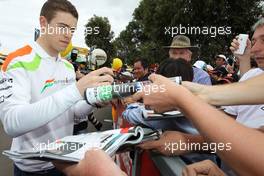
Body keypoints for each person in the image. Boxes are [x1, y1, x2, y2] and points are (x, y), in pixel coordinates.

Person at [0, 0, 113, 175]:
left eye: (72, 30)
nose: (68, 35)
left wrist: (94, 100)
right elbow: (12, 123)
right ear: (43, 23)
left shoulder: (67, 67)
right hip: (31, 168)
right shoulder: (18, 61)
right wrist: (76, 89)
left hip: (63, 161)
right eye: (62, 27)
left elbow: (73, 112)